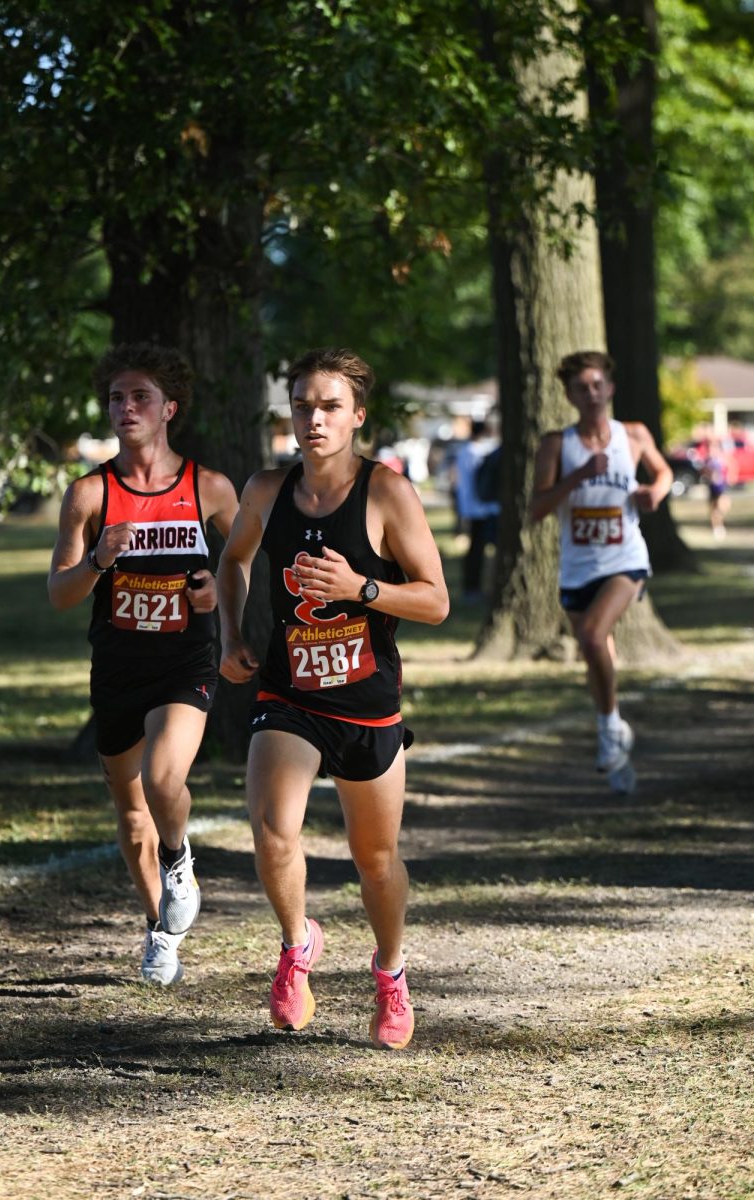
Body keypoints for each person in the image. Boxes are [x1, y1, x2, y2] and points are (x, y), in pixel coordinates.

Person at [217, 346, 449, 1050]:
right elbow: (231, 560)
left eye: (328, 407)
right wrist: (231, 633)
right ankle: (296, 947)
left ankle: (389, 973)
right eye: (301, 405)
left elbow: (435, 601)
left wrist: (361, 590)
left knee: (373, 857)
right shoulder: (264, 489)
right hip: (288, 691)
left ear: (356, 417)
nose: (313, 419)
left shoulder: (387, 493)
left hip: (366, 701)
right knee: (271, 826)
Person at [48, 343, 238, 985]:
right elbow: (59, 594)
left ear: (168, 410)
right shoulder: (89, 492)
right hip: (117, 668)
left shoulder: (207, 488)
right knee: (132, 819)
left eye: (140, 397)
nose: (125, 408)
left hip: (185, 661)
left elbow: (241, 565)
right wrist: (99, 559)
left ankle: (179, 861)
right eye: (116, 398)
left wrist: (215, 591)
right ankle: (161, 929)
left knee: (163, 780)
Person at [530, 350, 672, 793]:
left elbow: (663, 471)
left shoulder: (632, 436)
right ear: (569, 395)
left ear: (610, 389)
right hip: (577, 568)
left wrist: (655, 493)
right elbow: (536, 510)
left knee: (592, 638)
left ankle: (609, 728)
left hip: (625, 560)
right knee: (597, 656)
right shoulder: (557, 444)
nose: (591, 394)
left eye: (597, 385)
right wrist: (577, 478)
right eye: (581, 388)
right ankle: (617, 752)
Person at [454, 420, 501, 601]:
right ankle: (474, 587)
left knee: (475, 549)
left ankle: (472, 586)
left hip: (469, 507)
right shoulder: (478, 452)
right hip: (482, 508)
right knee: (479, 550)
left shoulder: (463, 452)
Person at [702, 436, 737, 541]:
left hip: (721, 487)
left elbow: (732, 465)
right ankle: (716, 528)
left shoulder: (721, 458)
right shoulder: (707, 460)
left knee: (721, 507)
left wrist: (731, 476)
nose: (711, 450)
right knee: (713, 509)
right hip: (712, 487)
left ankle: (719, 525)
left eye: (713, 447)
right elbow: (704, 472)